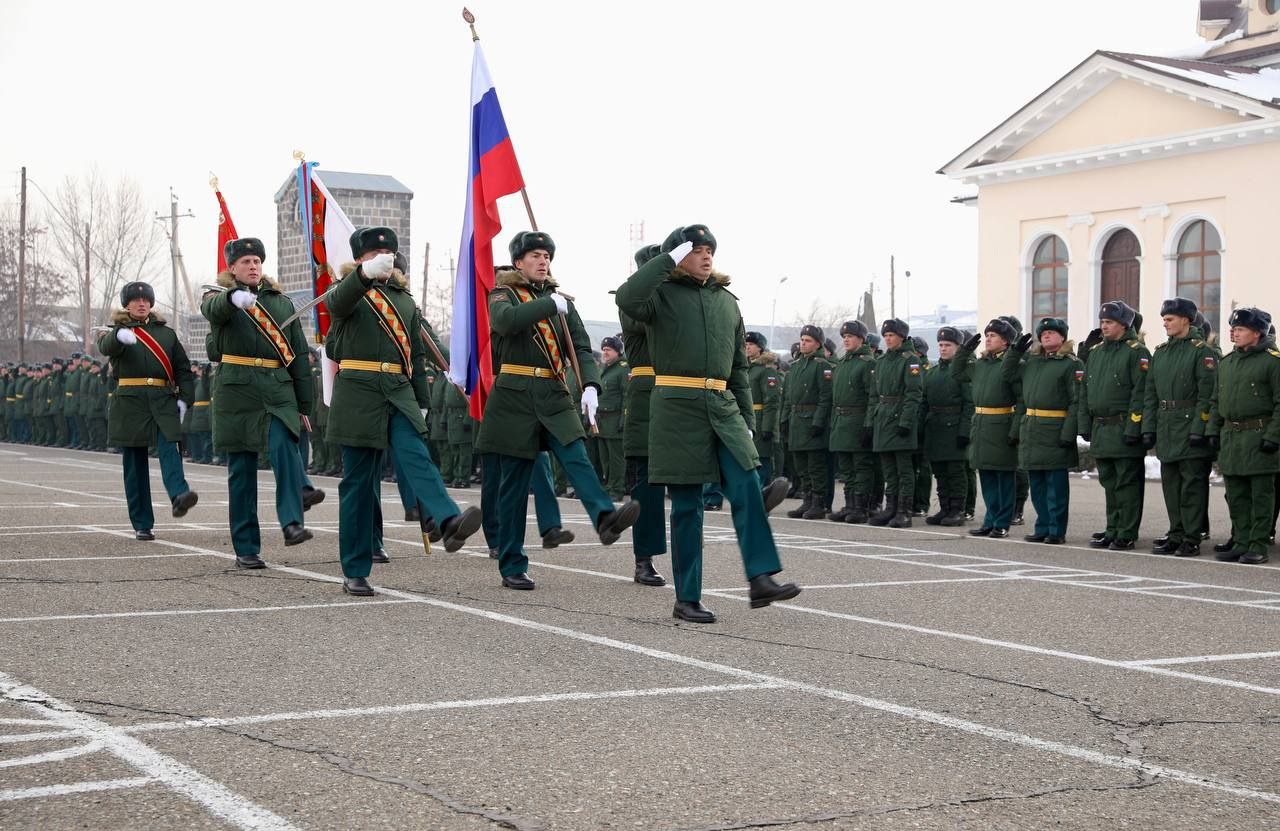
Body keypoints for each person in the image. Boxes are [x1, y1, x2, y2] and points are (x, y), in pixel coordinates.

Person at [616, 224, 800, 622]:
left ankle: (760, 577)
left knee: (749, 482)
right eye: (695, 249)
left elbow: (737, 366)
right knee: (687, 506)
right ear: (678, 255)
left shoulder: (726, 302)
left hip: (722, 404)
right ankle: (687, 598)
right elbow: (629, 297)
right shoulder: (659, 295)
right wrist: (666, 259)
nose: (705, 255)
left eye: (708, 249)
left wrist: (746, 419)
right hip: (676, 406)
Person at [476, 230, 639, 590]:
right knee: (514, 486)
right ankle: (512, 563)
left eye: (546, 255)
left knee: (576, 454)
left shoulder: (561, 301)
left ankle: (604, 517)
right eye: (534, 255)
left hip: (552, 390)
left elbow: (581, 348)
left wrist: (591, 385)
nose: (542, 260)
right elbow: (505, 322)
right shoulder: (503, 293)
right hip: (514, 394)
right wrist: (550, 305)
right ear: (518, 262)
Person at [326, 226, 483, 596]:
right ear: (360, 259)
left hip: (398, 391)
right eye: (373, 254)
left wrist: (422, 404)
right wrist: (363, 275)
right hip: (358, 393)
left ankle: (447, 520)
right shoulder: (345, 290)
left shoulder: (404, 299)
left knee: (417, 456)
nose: (383, 258)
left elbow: (413, 355)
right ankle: (355, 569)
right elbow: (337, 308)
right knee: (359, 486)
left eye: (388, 253)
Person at [201, 237, 318, 568]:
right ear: (233, 268)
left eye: (257, 261)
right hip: (237, 392)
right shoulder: (218, 297)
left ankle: (292, 523)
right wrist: (232, 299)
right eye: (246, 262)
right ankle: (246, 548)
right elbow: (211, 310)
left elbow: (295, 355)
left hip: (276, 389)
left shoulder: (280, 303)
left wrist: (304, 405)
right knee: (241, 472)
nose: (253, 267)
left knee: (284, 447)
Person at [96, 281, 198, 540]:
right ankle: (142, 522)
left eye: (145, 299)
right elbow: (105, 348)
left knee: (170, 447)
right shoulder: (116, 333)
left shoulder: (166, 334)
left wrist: (185, 399)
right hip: (130, 401)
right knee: (134, 463)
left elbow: (183, 370)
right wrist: (118, 335)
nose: (141, 303)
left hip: (162, 398)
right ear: (126, 304)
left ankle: (179, 494)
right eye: (135, 299)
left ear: (151, 303)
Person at [1143, 298, 1217, 557]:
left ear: (1186, 319)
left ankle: (1192, 536)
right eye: (1164, 319)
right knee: (1171, 484)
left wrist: (1200, 427)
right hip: (1166, 425)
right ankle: (1176, 533)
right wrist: (1149, 427)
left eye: (1170, 319)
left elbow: (1208, 395)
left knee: (1192, 485)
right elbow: (1150, 393)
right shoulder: (1161, 352)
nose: (1165, 324)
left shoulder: (1202, 352)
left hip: (1189, 425)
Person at [1208, 307, 1280, 565]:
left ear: (1257, 333)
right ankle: (1240, 541)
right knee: (1236, 494)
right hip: (1232, 437)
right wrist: (1212, 431)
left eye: (1240, 329)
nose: (1233, 333)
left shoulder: (1273, 362)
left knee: (1260, 495)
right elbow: (1217, 401)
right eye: (1233, 328)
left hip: (1259, 436)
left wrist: (1274, 436)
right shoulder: (1227, 363)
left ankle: (1258, 544)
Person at [1004, 317, 1081, 543]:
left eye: (1052, 332)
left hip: (1055, 429)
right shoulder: (1032, 362)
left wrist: (1069, 432)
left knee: (1055, 487)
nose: (1046, 335)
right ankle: (1042, 526)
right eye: (1043, 332)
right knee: (1037, 483)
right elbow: (1007, 374)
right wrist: (1014, 352)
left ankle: (1056, 530)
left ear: (1063, 337)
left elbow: (1076, 401)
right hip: (1032, 428)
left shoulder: (1071, 364)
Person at [1080, 301, 1150, 551]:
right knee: (1109, 482)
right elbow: (1085, 391)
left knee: (1127, 483)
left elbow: (1140, 394)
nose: (1104, 326)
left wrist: (1134, 427)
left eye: (1109, 322)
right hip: (1102, 428)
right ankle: (1113, 527)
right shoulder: (1097, 353)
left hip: (1122, 427)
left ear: (1123, 325)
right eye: (1102, 322)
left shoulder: (1136, 352)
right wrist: (1085, 423)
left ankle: (1127, 531)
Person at [961, 319, 1020, 538]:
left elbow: (1021, 399)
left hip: (1002, 423)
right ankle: (990, 520)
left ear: (1005, 341)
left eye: (993, 335)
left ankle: (1002, 522)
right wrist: (965, 351)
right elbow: (958, 372)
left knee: (1003, 478)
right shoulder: (981, 364)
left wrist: (1015, 430)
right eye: (987, 335)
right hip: (982, 424)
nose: (987, 339)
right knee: (986, 476)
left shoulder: (1012, 364)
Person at [868, 318, 923, 528]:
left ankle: (904, 511)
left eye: (892, 335)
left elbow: (914, 393)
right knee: (889, 469)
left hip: (900, 417)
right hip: (883, 418)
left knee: (904, 468)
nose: (888, 339)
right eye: (886, 336)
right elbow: (874, 395)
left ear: (901, 336)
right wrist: (871, 421)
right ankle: (891, 508)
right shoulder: (881, 361)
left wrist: (906, 421)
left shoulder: (910, 360)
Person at [922, 326, 972, 526]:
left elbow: (969, 403)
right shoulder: (932, 373)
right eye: (941, 345)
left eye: (948, 345)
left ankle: (958, 510)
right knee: (940, 471)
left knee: (956, 472)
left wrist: (964, 431)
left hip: (954, 426)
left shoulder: (962, 371)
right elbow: (925, 401)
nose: (943, 348)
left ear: (958, 347)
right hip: (936, 427)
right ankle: (945, 508)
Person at [828, 321, 877, 523]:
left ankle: (860, 507)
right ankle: (849, 504)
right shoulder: (843, 363)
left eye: (851, 336)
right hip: (841, 422)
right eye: (844, 336)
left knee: (861, 467)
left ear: (861, 339)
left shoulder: (867, 363)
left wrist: (868, 424)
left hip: (858, 421)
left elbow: (872, 397)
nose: (846, 340)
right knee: (847, 468)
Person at [785, 325, 833, 520]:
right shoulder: (795, 366)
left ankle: (819, 503)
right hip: (796, 421)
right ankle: (807, 499)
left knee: (815, 466)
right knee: (801, 466)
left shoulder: (822, 365)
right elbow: (788, 397)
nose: (803, 343)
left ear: (818, 344)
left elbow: (825, 396)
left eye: (808, 341)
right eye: (802, 340)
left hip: (812, 420)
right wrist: (784, 420)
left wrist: (818, 421)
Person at [596, 335, 629, 500]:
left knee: (616, 459)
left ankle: (617, 489)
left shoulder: (623, 369)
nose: (605, 352)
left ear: (618, 351)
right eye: (603, 349)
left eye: (608, 350)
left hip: (615, 421)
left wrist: (624, 419)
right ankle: (608, 486)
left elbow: (627, 396)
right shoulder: (604, 369)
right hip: (602, 421)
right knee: (605, 459)